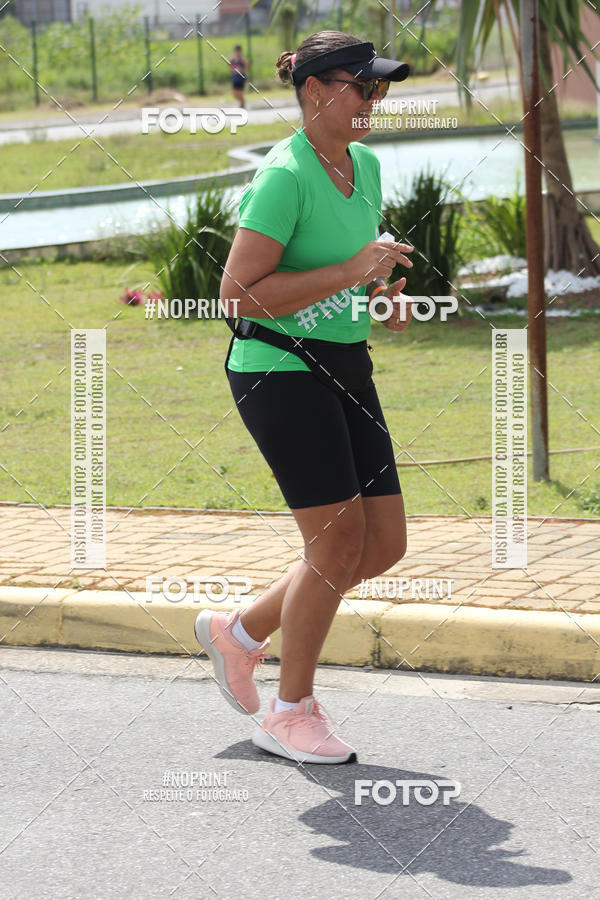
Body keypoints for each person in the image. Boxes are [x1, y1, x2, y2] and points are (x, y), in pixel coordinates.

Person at [195, 31, 413, 764]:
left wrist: (380, 290)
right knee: (336, 543)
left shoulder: (366, 164)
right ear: (316, 91)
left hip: (346, 362)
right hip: (278, 368)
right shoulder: (283, 175)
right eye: (363, 87)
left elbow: (353, 266)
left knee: (382, 544)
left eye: (380, 89)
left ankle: (242, 631)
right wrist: (355, 267)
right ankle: (291, 713)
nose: (374, 102)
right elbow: (239, 295)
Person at [230, 44, 249, 108]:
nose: (237, 51)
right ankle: (242, 102)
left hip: (241, 78)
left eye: (238, 50)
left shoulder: (243, 59)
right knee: (234, 93)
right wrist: (233, 70)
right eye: (236, 50)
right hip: (235, 78)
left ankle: (242, 105)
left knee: (240, 93)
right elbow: (230, 67)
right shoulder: (232, 59)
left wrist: (240, 71)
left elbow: (247, 67)